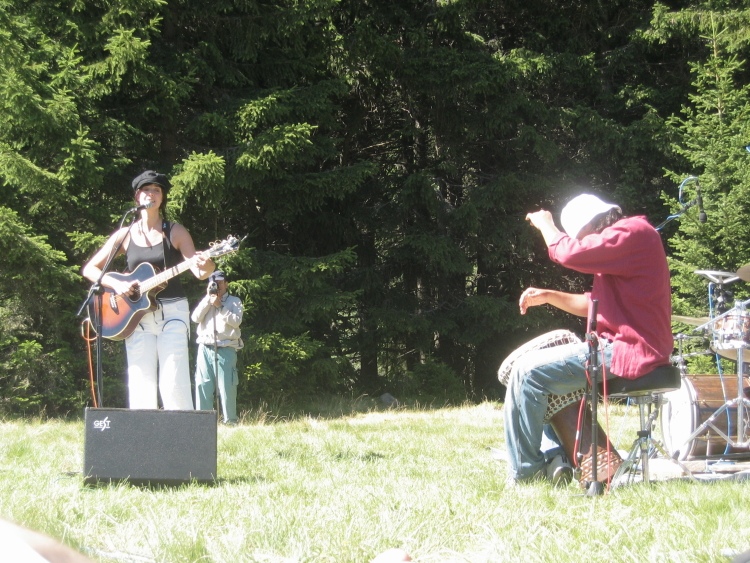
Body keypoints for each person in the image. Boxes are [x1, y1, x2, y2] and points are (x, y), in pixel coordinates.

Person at [504, 193, 673, 485]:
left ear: (595, 225)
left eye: (582, 237)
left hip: (630, 350)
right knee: (533, 368)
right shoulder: (629, 246)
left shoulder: (634, 232)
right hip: (619, 348)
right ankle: (558, 459)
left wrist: (546, 224)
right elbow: (595, 304)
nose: (585, 244)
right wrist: (549, 296)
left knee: (527, 371)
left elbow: (569, 253)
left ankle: (525, 476)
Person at [82, 170, 215, 410]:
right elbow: (90, 269)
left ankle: (179, 440)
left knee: (174, 381)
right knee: (140, 382)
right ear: (137, 197)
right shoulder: (125, 234)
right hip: (136, 317)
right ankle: (143, 442)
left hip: (172, 313)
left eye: (156, 190)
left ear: (162, 198)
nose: (151, 194)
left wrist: (206, 264)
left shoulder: (174, 231)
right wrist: (118, 284)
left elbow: (199, 272)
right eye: (146, 190)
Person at [191, 270, 243, 424]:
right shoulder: (206, 300)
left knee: (227, 386)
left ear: (226, 283)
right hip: (205, 347)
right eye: (213, 283)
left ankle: (230, 422)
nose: (217, 286)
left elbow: (236, 321)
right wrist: (209, 299)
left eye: (220, 282)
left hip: (226, 347)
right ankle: (203, 423)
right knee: (203, 384)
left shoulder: (234, 301)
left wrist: (220, 306)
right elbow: (195, 318)